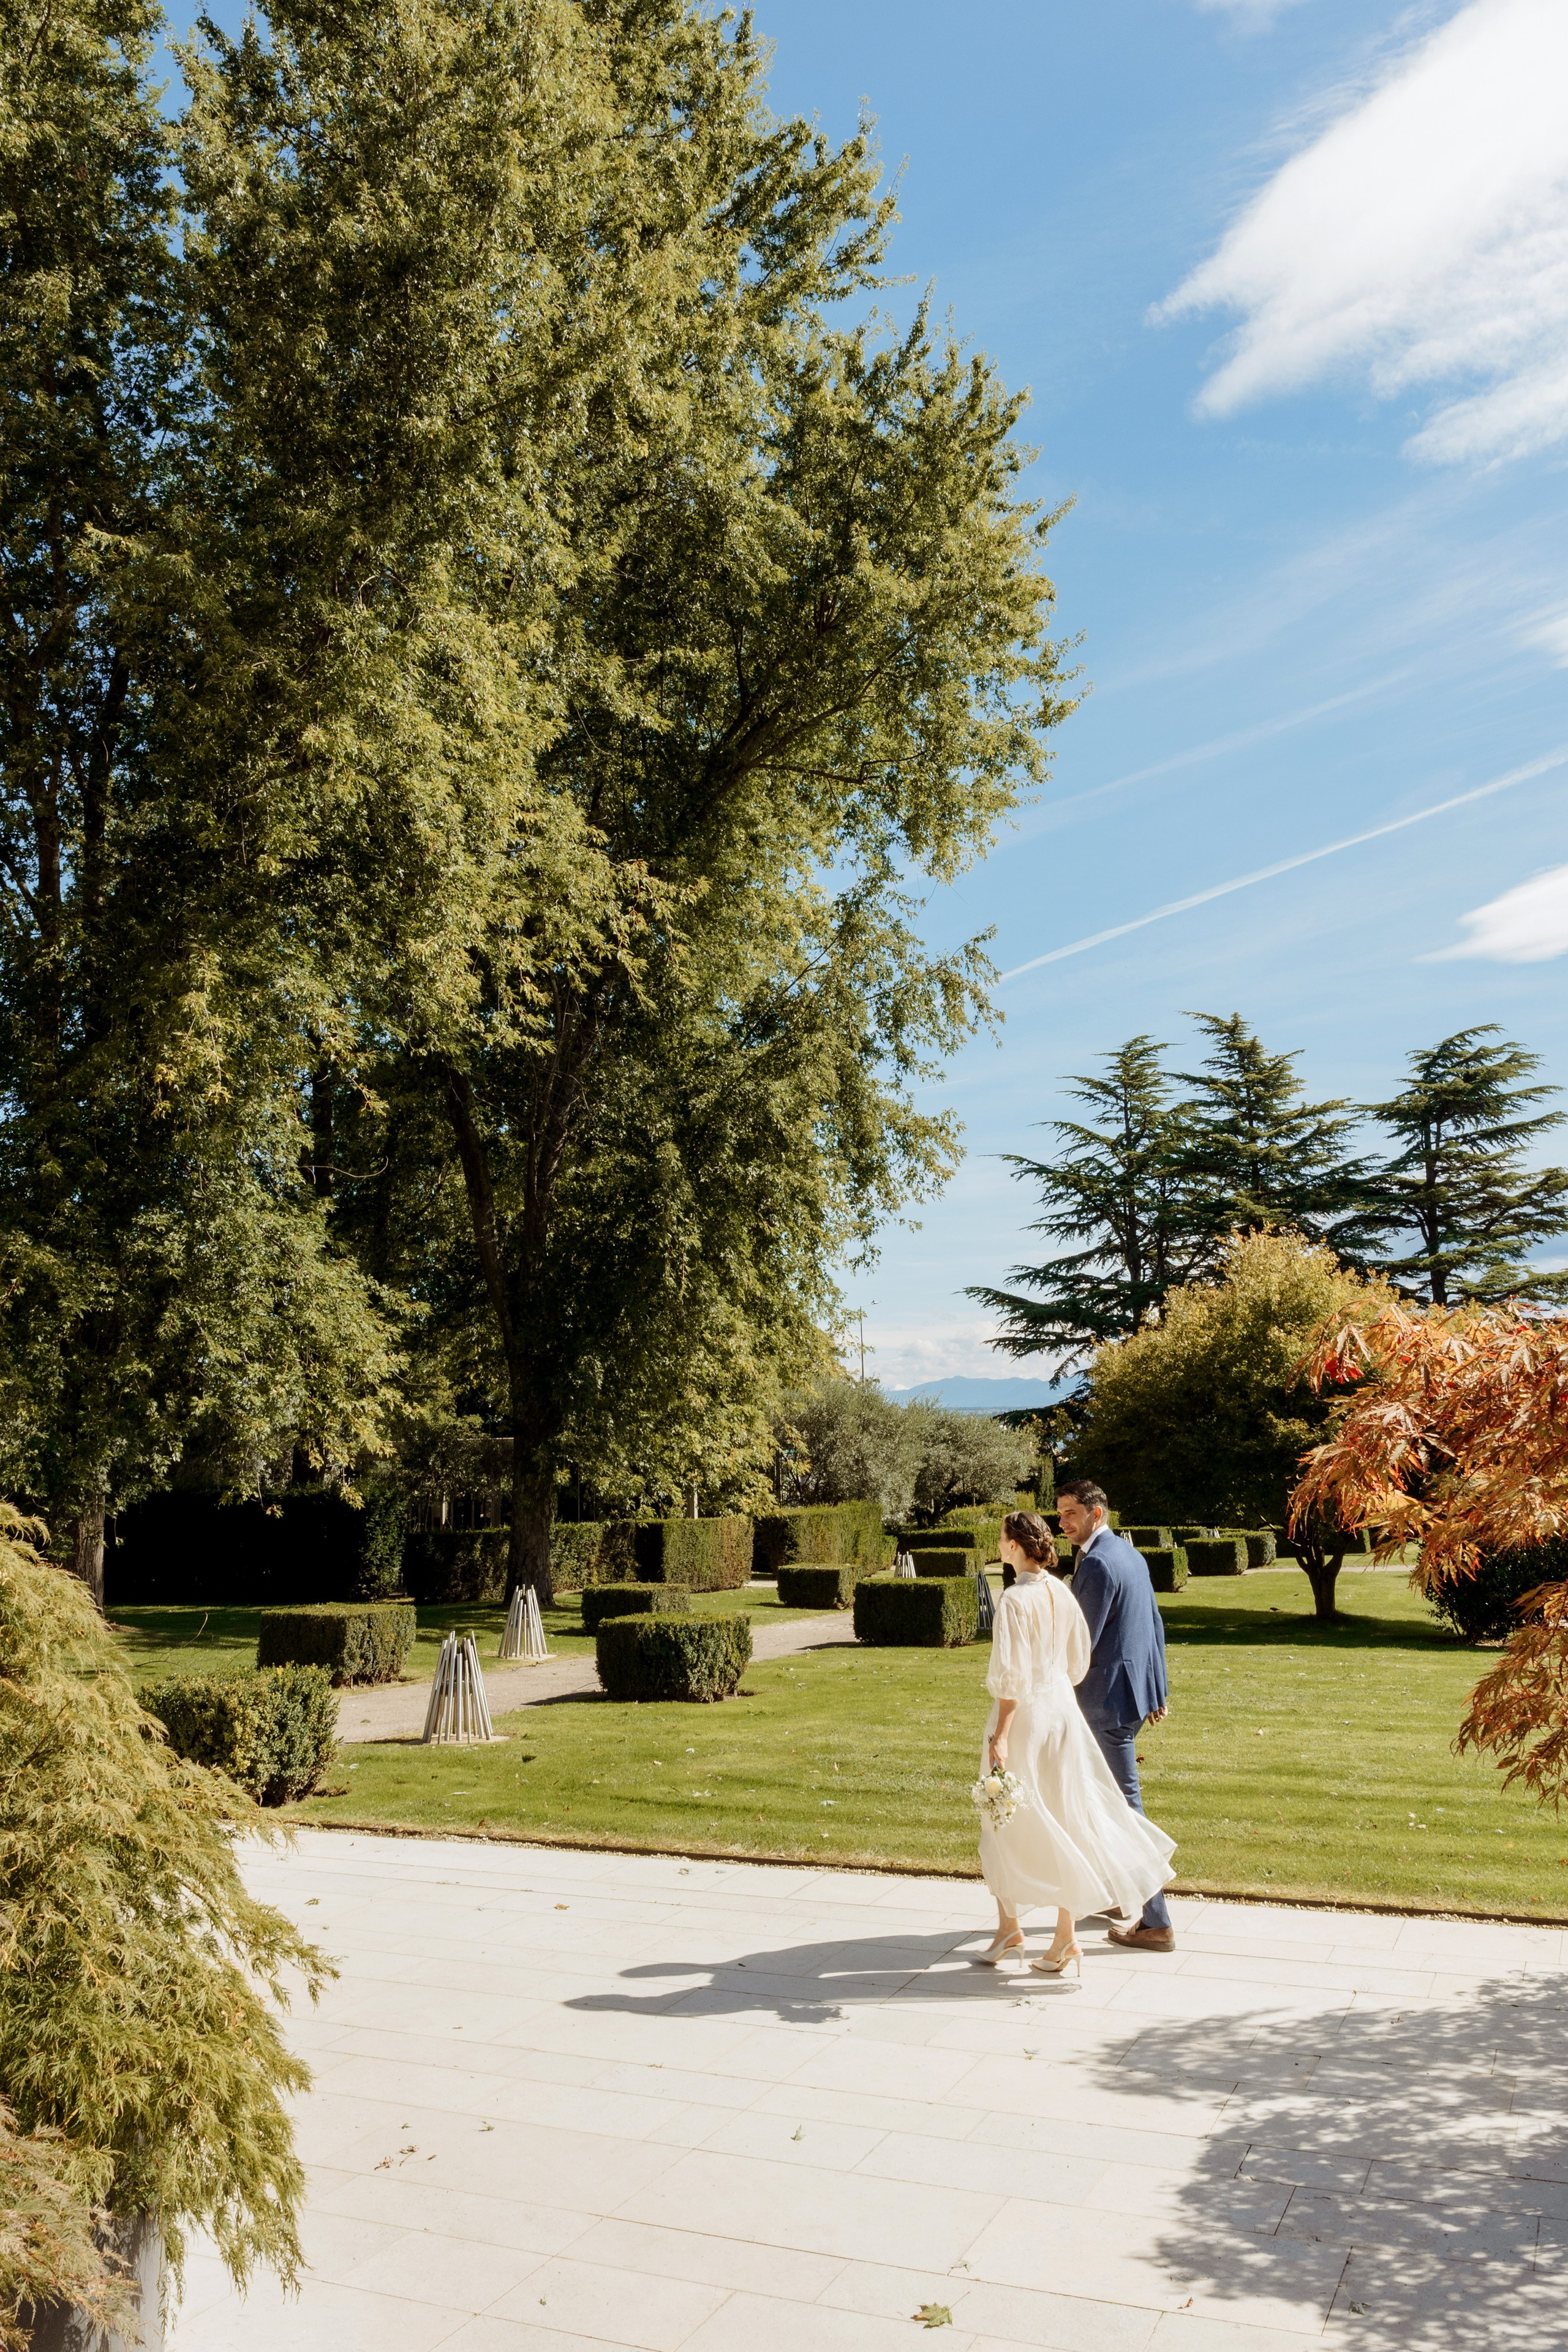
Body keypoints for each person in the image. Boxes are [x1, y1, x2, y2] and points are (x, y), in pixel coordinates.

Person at [975, 1510, 1175, 1976]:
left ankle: (1010, 1927)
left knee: (1001, 1819)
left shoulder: (1013, 1599)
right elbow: (1077, 1661)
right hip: (1063, 1713)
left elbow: (1011, 1677)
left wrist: (1001, 1734)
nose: (999, 1544)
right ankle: (1062, 1937)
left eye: (1002, 1538)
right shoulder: (1061, 1592)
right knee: (1068, 1816)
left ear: (1014, 1546)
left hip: (1027, 1717)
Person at [1058, 1478, 1176, 1953]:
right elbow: (1153, 1625)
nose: (1062, 1523)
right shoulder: (1129, 1554)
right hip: (1128, 1696)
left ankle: (1157, 1921)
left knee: (1125, 1809)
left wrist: (1045, 1688)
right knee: (1101, 1801)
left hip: (1104, 1703)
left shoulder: (1099, 1563)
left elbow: (1078, 1642)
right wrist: (1157, 1689)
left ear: (1096, 1514)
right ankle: (1114, 1894)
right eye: (1060, 1514)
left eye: (1070, 1513)